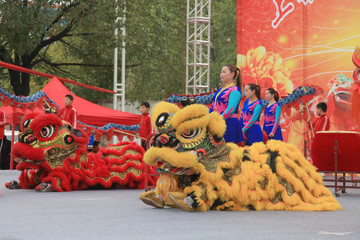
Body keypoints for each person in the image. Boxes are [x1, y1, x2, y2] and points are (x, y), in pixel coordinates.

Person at [209, 64, 243, 144]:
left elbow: (230, 110)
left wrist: (218, 120)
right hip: (217, 124)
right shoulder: (220, 90)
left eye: (224, 72)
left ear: (232, 74)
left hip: (229, 124)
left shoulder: (235, 90)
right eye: (221, 72)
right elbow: (213, 106)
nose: (221, 74)